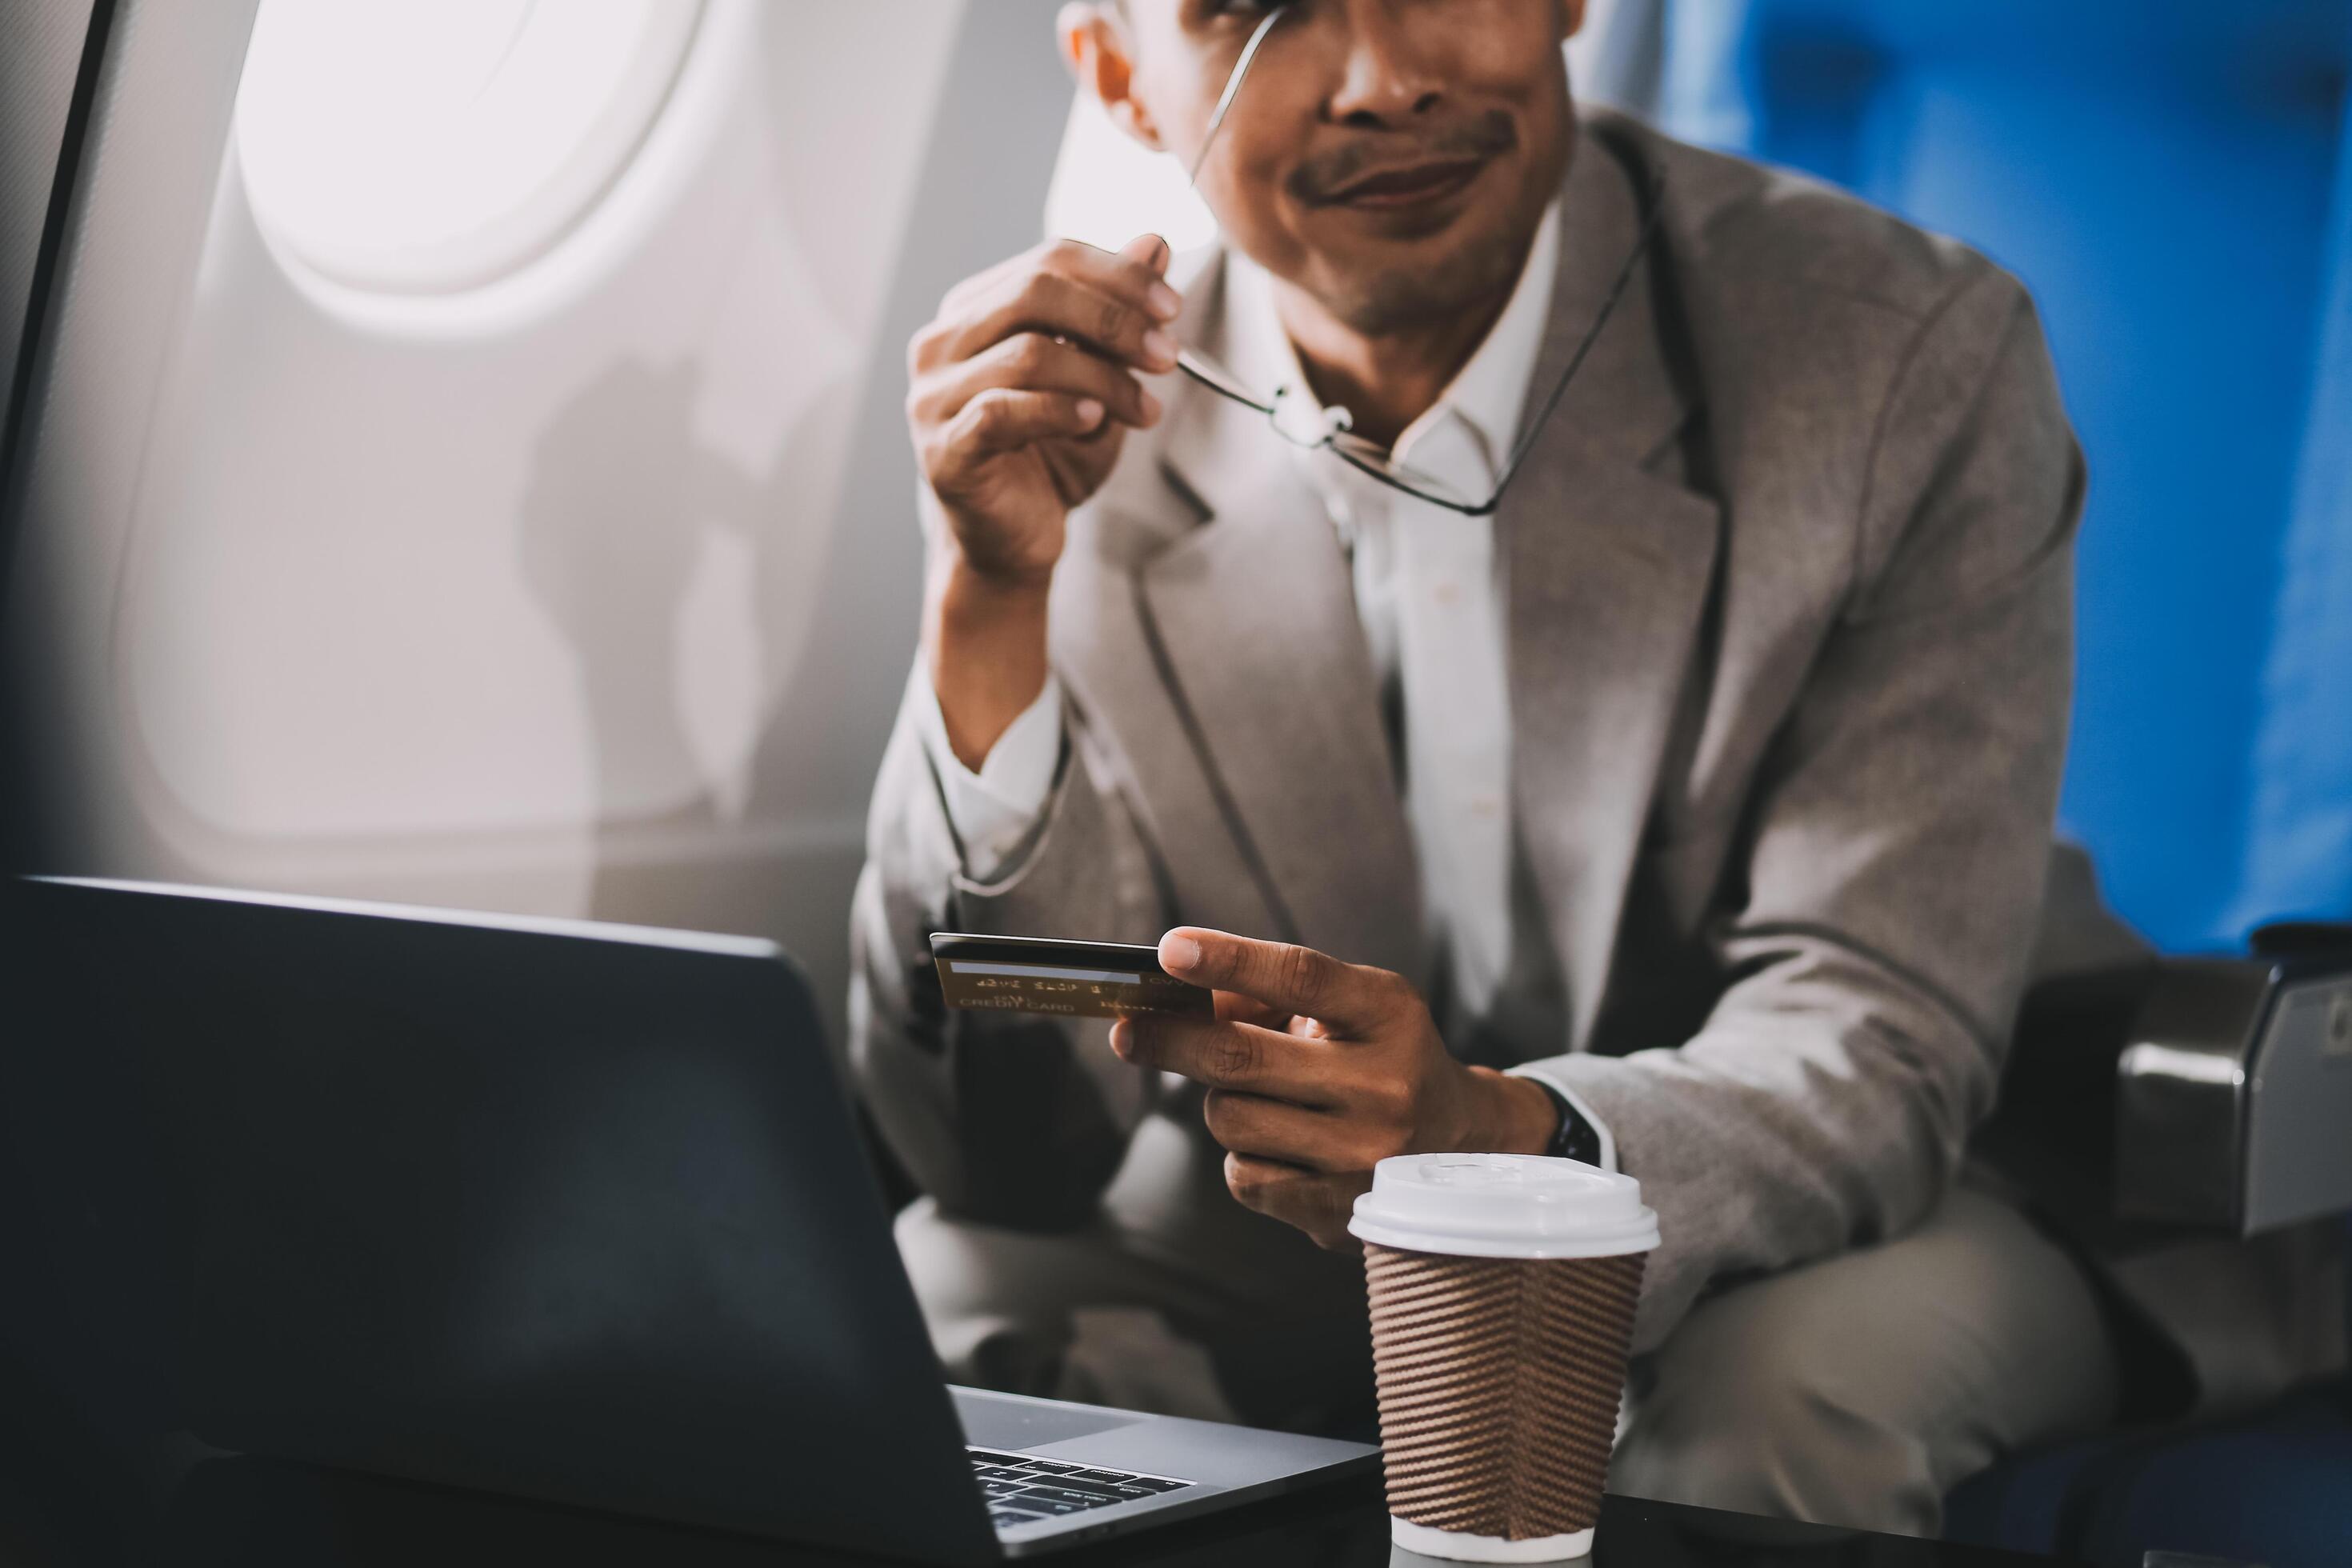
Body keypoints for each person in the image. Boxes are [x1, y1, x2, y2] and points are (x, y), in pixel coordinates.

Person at [850, 0, 2118, 1535]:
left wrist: (1500, 1140)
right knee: (922, 1301)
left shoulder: (1896, 360)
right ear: (1121, 76)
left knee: (1773, 1410)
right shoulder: (1067, 421)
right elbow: (1001, 1165)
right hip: (1303, 1236)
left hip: (1824, 1213)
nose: (1387, 81)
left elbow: (1876, 1038)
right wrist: (988, 599)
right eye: (1264, 8)